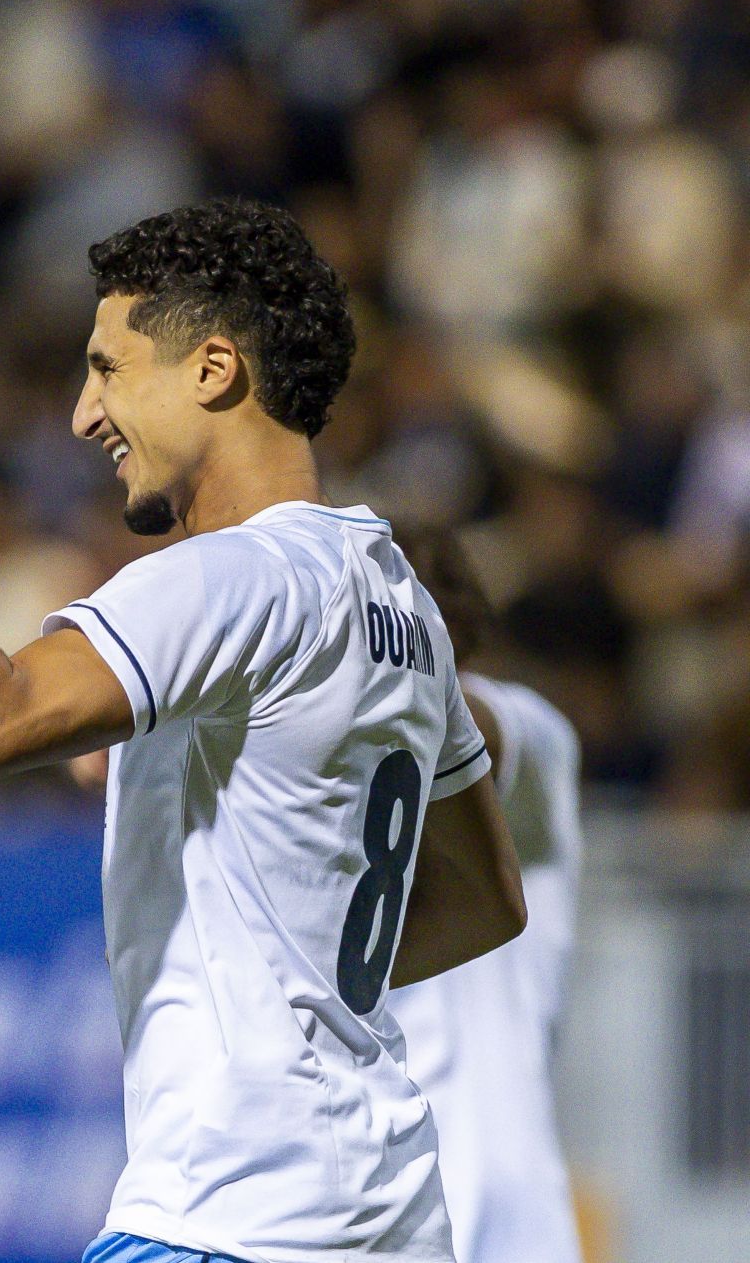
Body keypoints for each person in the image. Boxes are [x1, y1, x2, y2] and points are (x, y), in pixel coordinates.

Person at [0, 203, 527, 1263]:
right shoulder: (397, 596)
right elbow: (483, 901)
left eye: (109, 368)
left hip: (230, 1218)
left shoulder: (228, 578)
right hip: (394, 1215)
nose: (84, 414)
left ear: (213, 367)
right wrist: (295, 969)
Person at [386, 527, 586, 1263]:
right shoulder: (326, 780)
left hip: (502, 1212)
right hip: (373, 1210)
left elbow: (471, 729)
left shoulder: (531, 727)